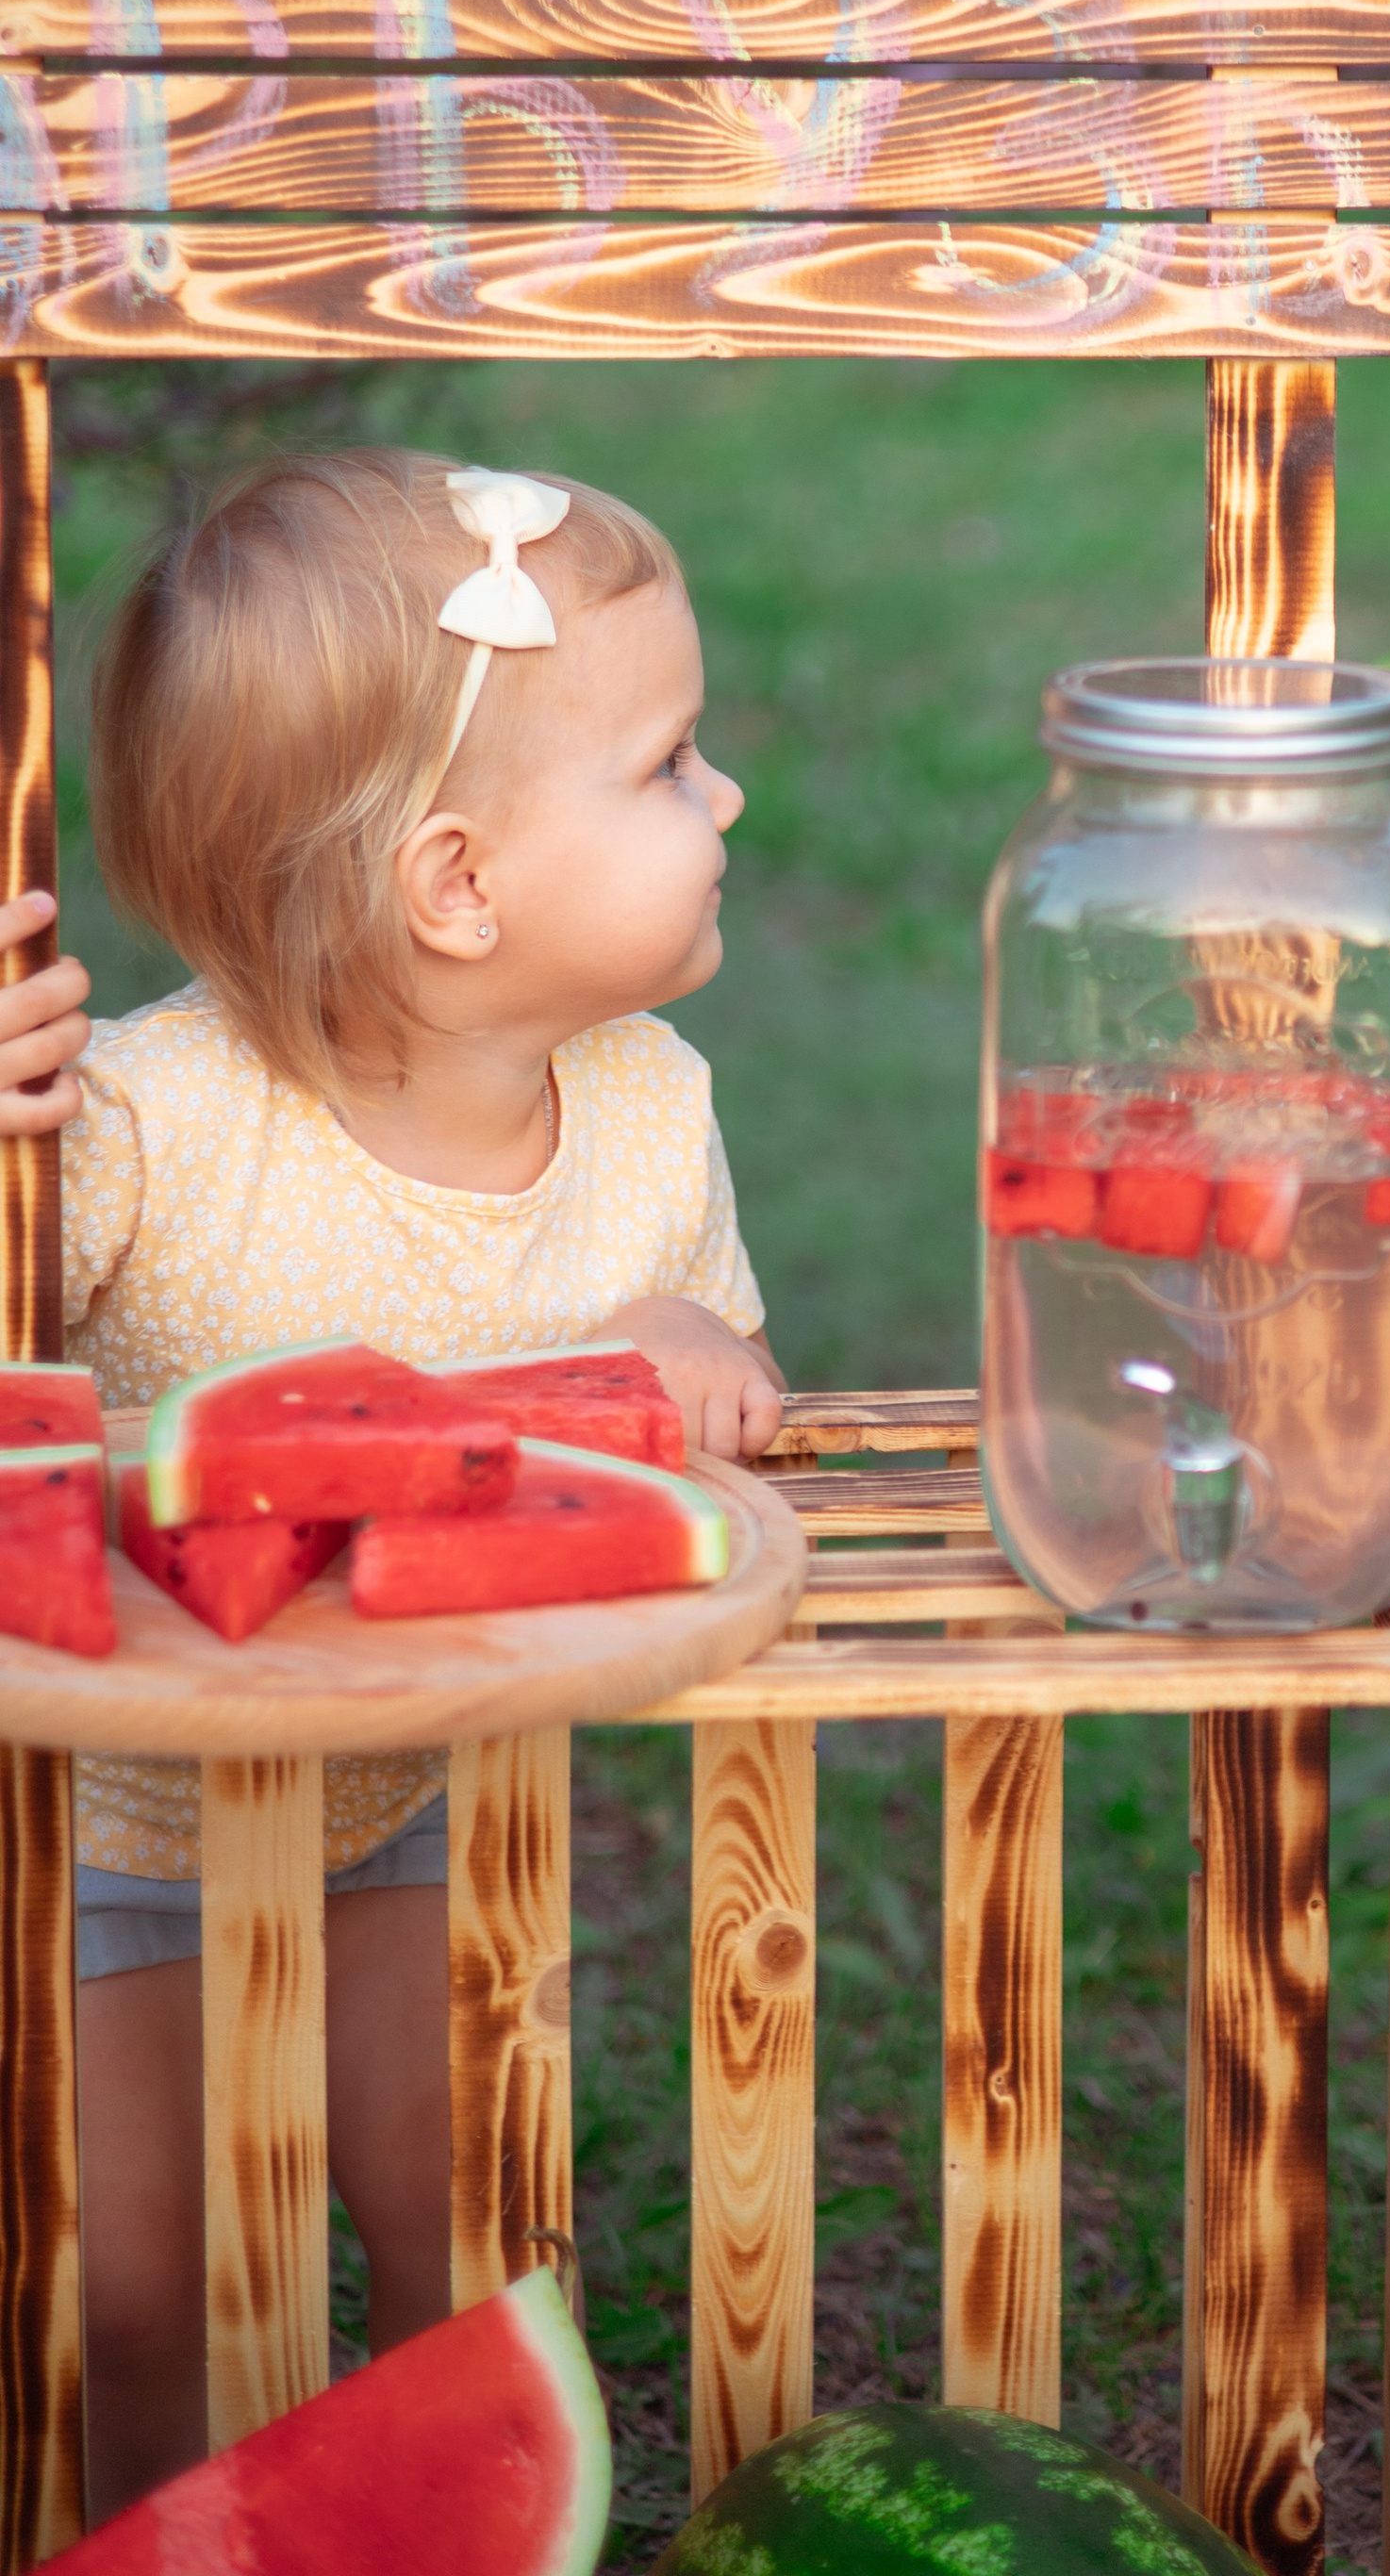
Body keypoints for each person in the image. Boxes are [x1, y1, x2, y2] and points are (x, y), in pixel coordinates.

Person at [0, 449, 783, 2517]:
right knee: (143, 2287)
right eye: (670, 762)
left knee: (469, 2245)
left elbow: (708, 1400)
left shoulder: (646, 1108)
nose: (727, 803)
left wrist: (704, 1360)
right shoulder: (154, 1123)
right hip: (111, 1832)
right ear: (455, 883)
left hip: (419, 1804)